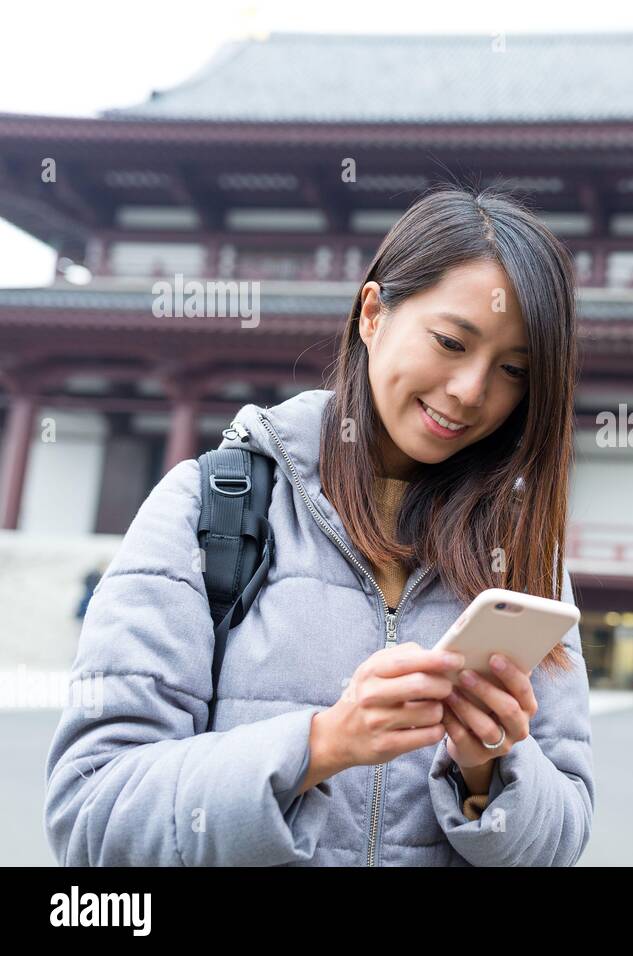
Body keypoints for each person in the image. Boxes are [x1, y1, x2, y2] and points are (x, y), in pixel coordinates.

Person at [43, 185, 594, 866]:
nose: (472, 390)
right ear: (373, 314)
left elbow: (564, 839)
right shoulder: (207, 507)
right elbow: (91, 816)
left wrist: (490, 773)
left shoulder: (524, 556)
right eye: (451, 341)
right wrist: (320, 746)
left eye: (514, 371)